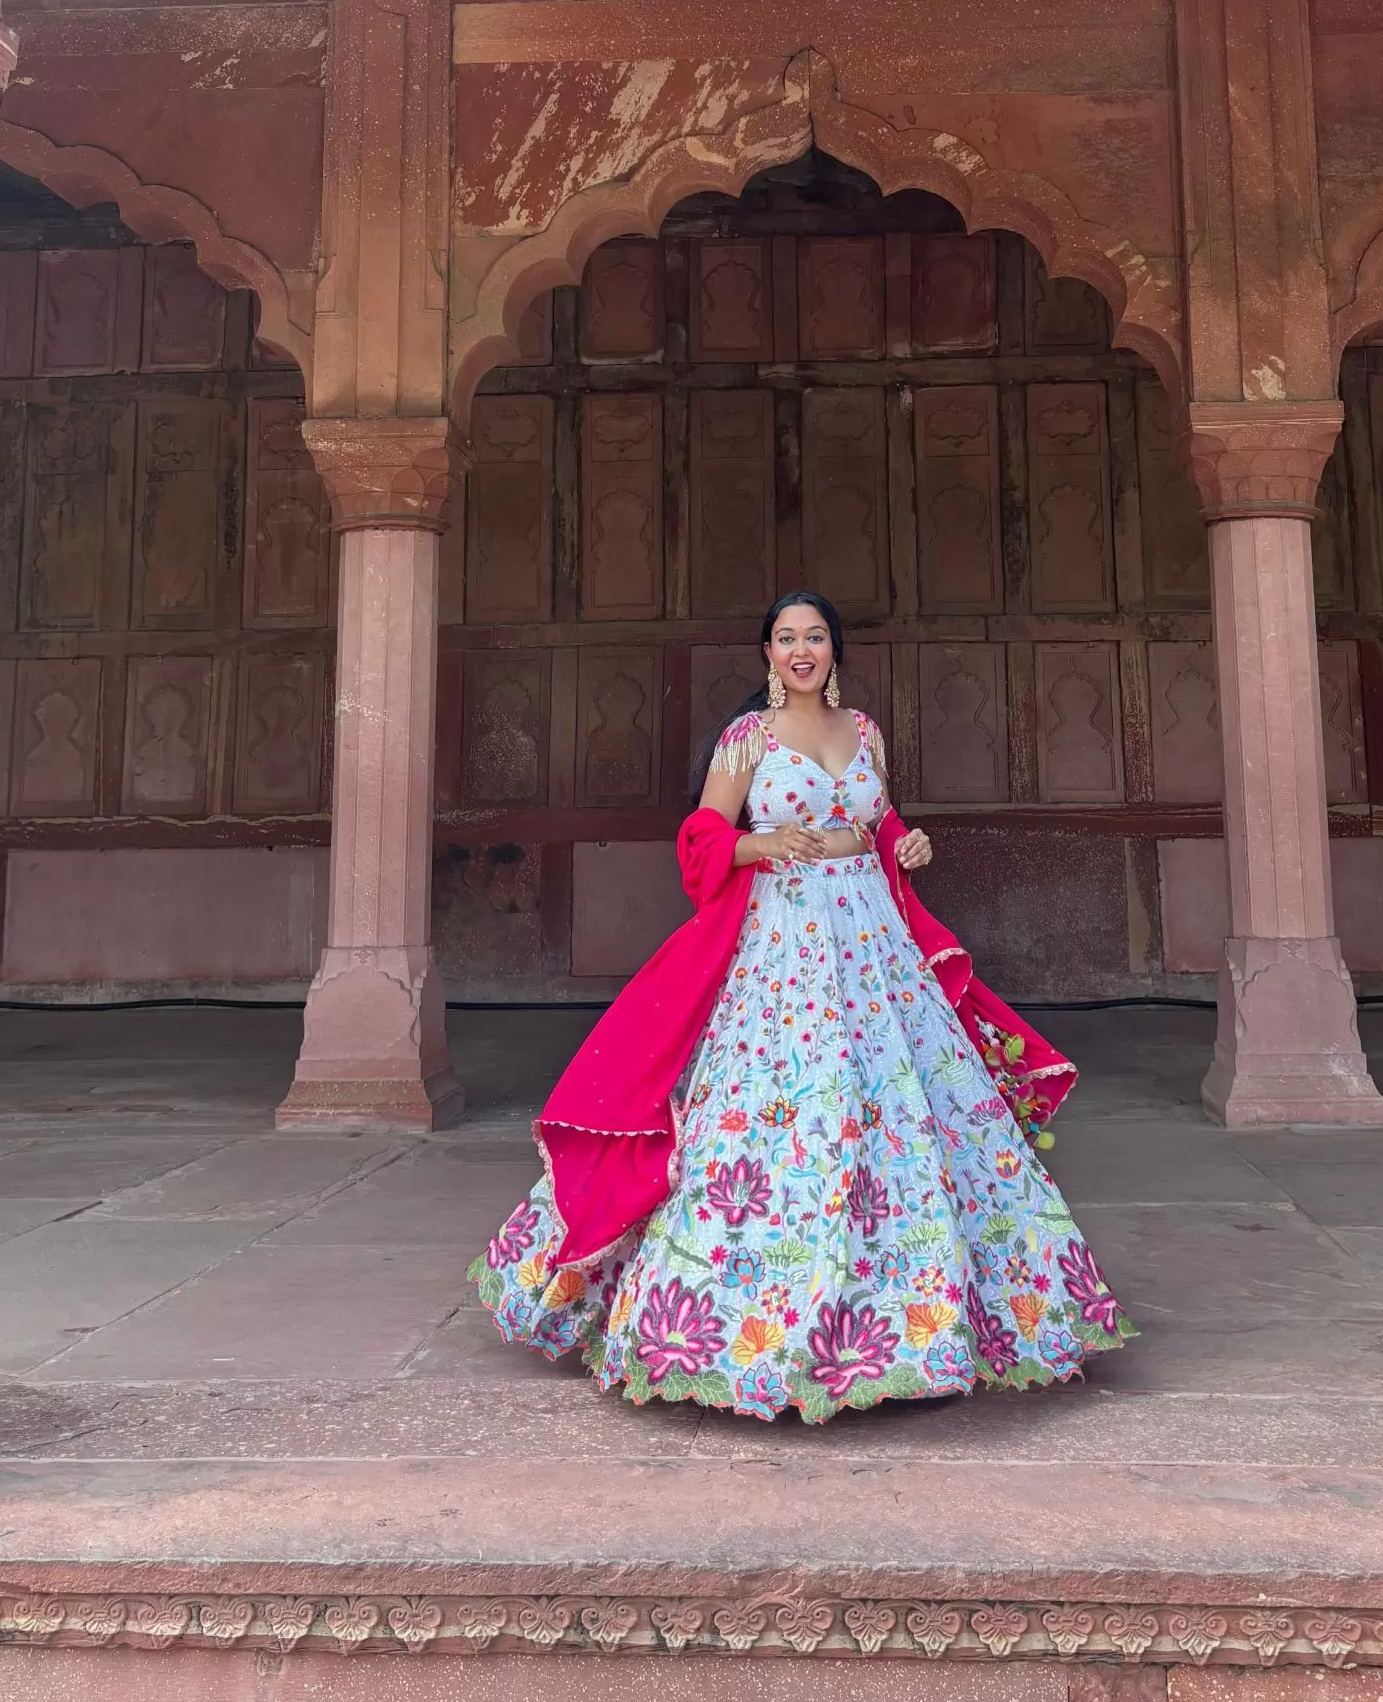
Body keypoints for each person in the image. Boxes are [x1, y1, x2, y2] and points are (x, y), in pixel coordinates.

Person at [470, 591, 1131, 1421]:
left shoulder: (866, 735)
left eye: (814, 636)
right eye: (785, 638)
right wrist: (761, 842)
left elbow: (878, 819)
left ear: (834, 652)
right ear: (768, 658)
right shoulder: (749, 739)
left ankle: (919, 1324)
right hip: (781, 942)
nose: (800, 649)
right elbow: (703, 835)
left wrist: (906, 841)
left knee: (898, 1107)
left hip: (871, 939)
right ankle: (742, 1327)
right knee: (785, 1105)